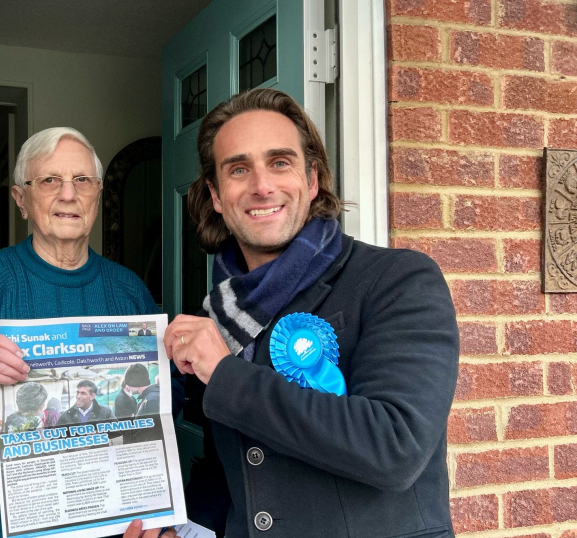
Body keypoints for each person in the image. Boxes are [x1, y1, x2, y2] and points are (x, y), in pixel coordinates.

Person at [164, 89, 459, 538]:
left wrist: (225, 374)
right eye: (239, 169)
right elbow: (230, 466)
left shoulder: (398, 280)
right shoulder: (217, 313)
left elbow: (395, 447)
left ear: (313, 179)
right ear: (217, 195)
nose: (261, 185)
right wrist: (183, 527)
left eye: (279, 162)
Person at [0, 127, 175, 538]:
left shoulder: (128, 290)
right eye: (49, 180)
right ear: (21, 200)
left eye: (82, 181)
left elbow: (167, 400)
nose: (68, 194)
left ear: (96, 195)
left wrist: (165, 383)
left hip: (100, 522)